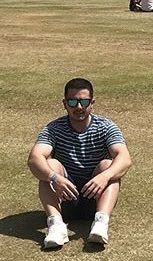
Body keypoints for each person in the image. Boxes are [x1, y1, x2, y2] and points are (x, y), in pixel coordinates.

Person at [27, 78, 132, 249]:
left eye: (84, 101)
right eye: (73, 101)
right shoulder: (54, 129)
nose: (79, 107)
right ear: (64, 103)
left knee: (108, 165)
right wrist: (54, 178)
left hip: (95, 196)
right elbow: (35, 158)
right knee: (49, 165)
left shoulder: (105, 127)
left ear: (92, 103)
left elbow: (125, 158)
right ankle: (55, 225)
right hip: (64, 197)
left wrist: (104, 177)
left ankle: (101, 223)